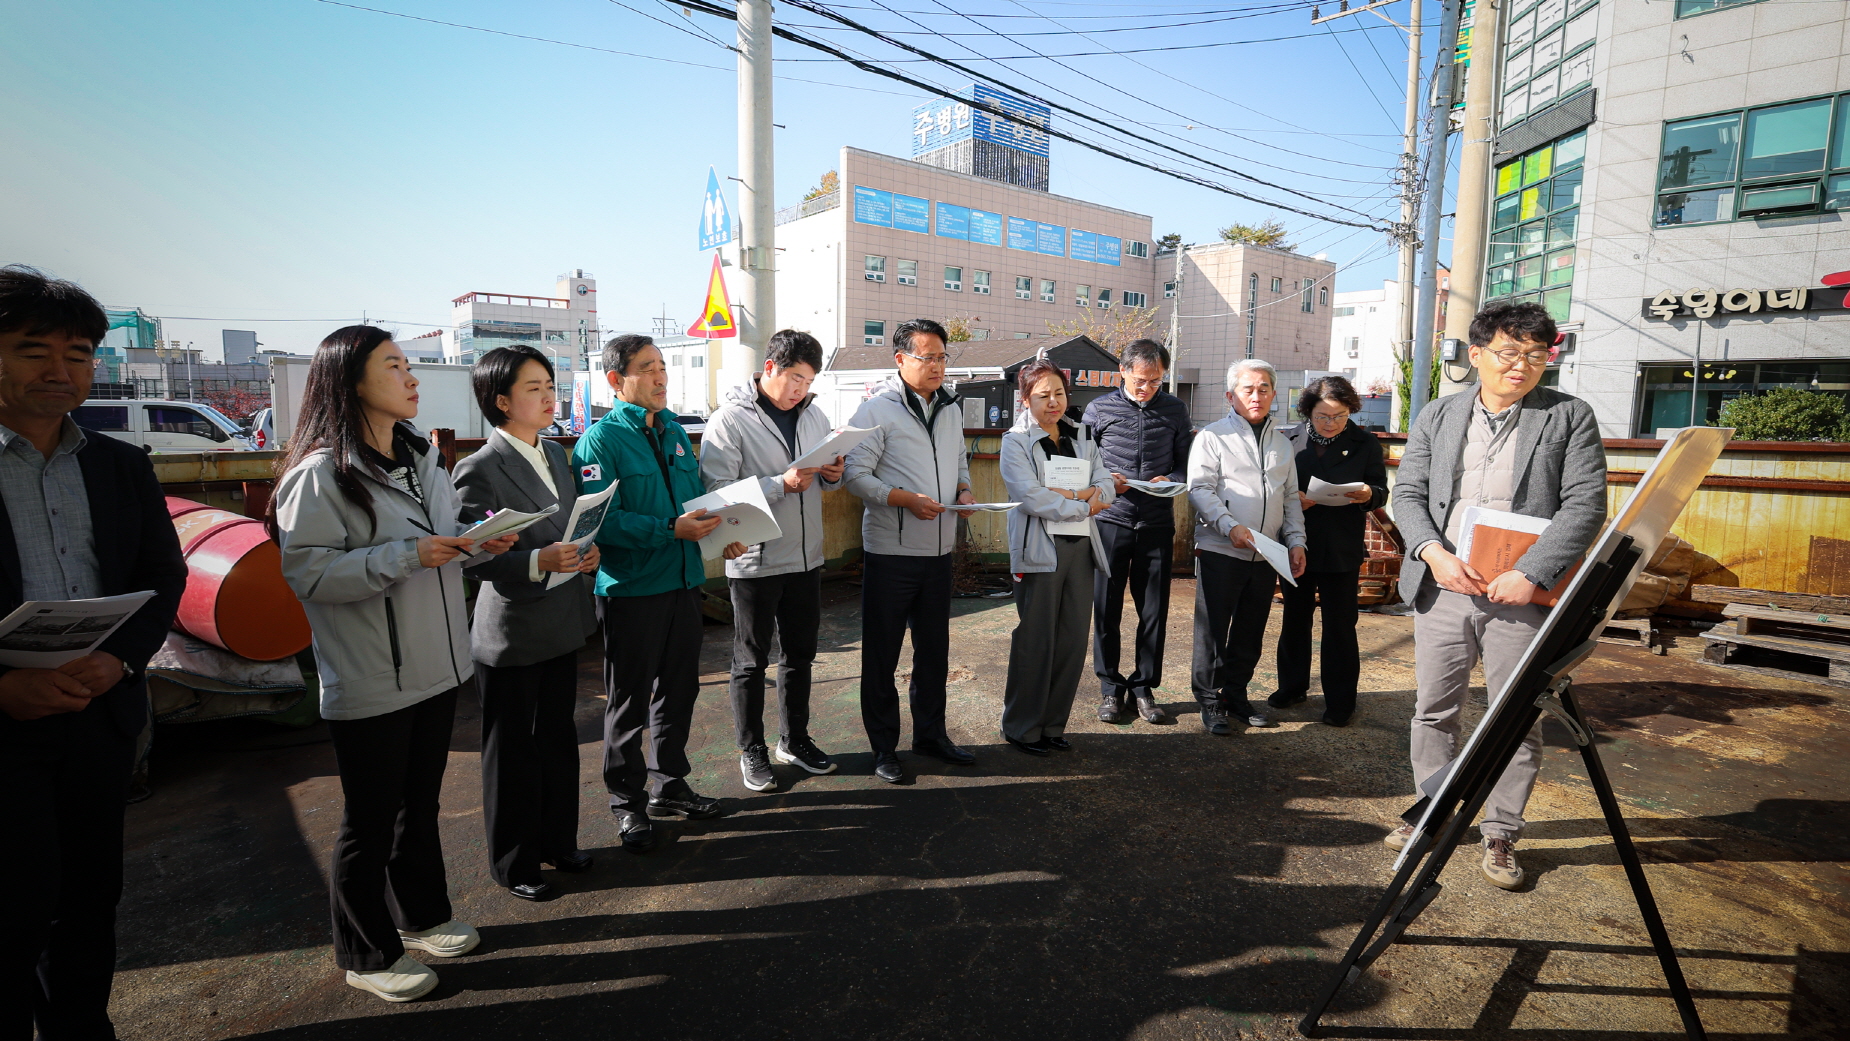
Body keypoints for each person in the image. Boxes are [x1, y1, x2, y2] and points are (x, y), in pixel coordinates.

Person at [271, 325, 520, 1002]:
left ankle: (422, 915)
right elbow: (309, 574)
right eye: (394, 366)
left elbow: (440, 537)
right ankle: (366, 950)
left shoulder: (419, 455)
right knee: (371, 819)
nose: (411, 378)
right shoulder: (320, 474)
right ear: (349, 381)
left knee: (420, 805)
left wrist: (476, 541)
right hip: (373, 673)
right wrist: (407, 556)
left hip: (437, 663)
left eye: (409, 365)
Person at [0, 266, 187, 1039]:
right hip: (5, 728)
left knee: (88, 898)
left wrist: (122, 660)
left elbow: (162, 575)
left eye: (77, 353)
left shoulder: (118, 465)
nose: (60, 369)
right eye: (33, 349)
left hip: (99, 715)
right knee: (14, 906)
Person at [1388, 301, 1606, 891]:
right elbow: (1407, 493)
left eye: (1536, 355)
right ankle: (1432, 811)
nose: (1522, 365)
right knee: (1434, 708)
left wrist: (1532, 572)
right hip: (1445, 583)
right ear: (1477, 353)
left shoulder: (1568, 416)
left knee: (1514, 716)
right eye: (1510, 352)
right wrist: (1432, 554)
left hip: (1520, 594)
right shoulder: (1438, 414)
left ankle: (1501, 831)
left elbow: (1585, 504)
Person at [452, 345, 600, 902]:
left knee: (558, 739)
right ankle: (514, 862)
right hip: (512, 631)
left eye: (549, 386)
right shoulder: (479, 467)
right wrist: (538, 560)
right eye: (533, 388)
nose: (548, 397)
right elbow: (471, 556)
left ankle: (559, 841)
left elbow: (569, 527)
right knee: (512, 751)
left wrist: (586, 552)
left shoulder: (555, 453)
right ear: (501, 401)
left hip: (560, 618)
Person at [573, 334, 724, 852]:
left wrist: (722, 532)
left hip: (683, 583)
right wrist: (669, 529)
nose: (661, 376)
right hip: (632, 590)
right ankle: (627, 804)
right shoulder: (599, 442)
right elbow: (603, 522)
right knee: (629, 700)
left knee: (679, 691)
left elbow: (695, 500)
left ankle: (669, 785)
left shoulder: (675, 430)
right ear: (617, 380)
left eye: (662, 366)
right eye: (648, 368)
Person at [699, 329, 847, 793]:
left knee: (800, 655)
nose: (802, 389)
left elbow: (826, 479)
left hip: (806, 557)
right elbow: (715, 493)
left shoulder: (815, 414)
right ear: (770, 369)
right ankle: (752, 749)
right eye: (796, 378)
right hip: (754, 560)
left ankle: (794, 740)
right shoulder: (729, 420)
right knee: (751, 660)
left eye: (809, 381)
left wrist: (834, 473)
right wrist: (779, 484)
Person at [842, 318, 978, 784]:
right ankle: (884, 747)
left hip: (938, 554)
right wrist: (903, 499)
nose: (937, 366)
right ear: (901, 359)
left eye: (942, 357)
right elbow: (855, 476)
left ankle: (931, 736)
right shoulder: (875, 411)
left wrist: (963, 491)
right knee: (882, 655)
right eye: (927, 357)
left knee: (934, 653)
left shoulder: (950, 407)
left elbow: (959, 461)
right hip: (891, 554)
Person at [998, 359, 1114, 755]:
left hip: (1081, 550)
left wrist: (1075, 495)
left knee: (1071, 641)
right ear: (1025, 400)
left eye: (1059, 393)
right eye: (1043, 395)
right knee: (1035, 641)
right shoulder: (1015, 442)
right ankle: (1021, 728)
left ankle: (1051, 725)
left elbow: (1106, 485)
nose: (1053, 402)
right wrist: (1084, 503)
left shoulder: (1081, 436)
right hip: (1039, 551)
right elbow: (1031, 497)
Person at [1187, 358, 1307, 735]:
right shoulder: (1213, 437)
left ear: (1274, 394)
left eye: (1263, 389)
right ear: (1231, 396)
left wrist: (1296, 541)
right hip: (1222, 549)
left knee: (1250, 631)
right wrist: (1230, 526)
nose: (1256, 396)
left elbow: (1290, 498)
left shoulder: (1282, 444)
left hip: (1266, 554)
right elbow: (1199, 489)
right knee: (1213, 630)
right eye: (1248, 389)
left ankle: (1235, 695)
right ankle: (1209, 699)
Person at [1083, 338, 1191, 726]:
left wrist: (1171, 479)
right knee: (1105, 607)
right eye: (1140, 380)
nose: (1147, 388)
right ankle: (1110, 688)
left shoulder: (1175, 410)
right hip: (1110, 520)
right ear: (1123, 371)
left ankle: (1144, 688)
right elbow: (1082, 462)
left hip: (1157, 522)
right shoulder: (1098, 410)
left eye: (1156, 381)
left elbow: (1186, 464)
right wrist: (1103, 481)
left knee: (1153, 611)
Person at [1268, 376, 1388, 728]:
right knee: (1295, 618)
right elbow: (1272, 486)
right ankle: (1291, 687)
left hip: (1341, 545)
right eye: (1322, 416)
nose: (1331, 423)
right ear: (1308, 412)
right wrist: (1291, 499)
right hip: (1297, 542)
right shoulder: (1288, 440)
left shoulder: (1365, 443)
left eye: (1339, 416)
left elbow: (1381, 489)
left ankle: (1340, 701)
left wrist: (1368, 494)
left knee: (1340, 626)